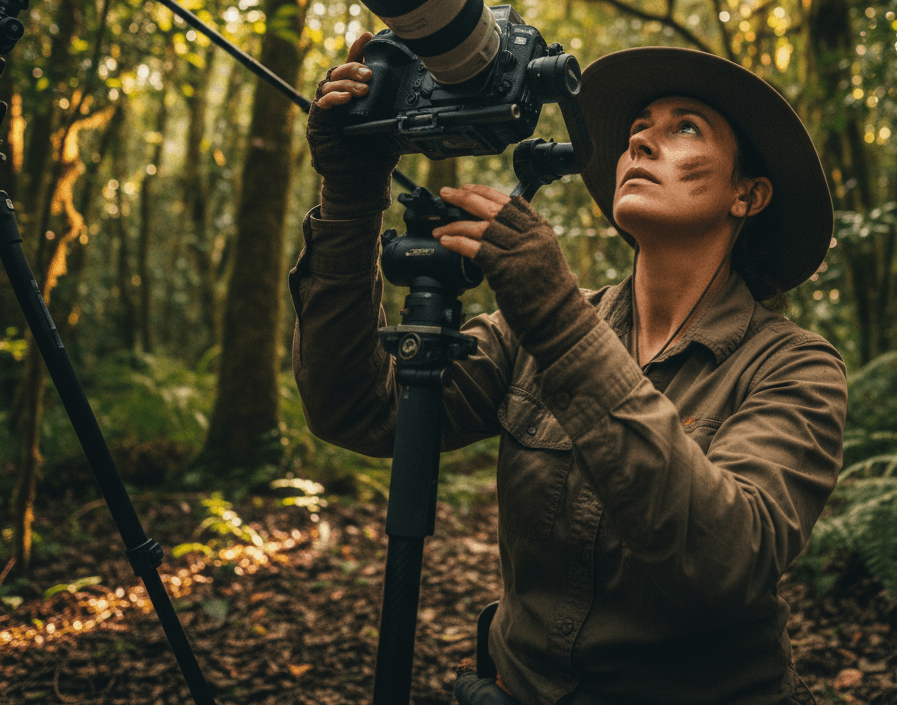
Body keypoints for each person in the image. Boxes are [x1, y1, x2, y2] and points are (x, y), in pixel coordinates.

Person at [290, 37, 847, 705]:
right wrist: (351, 198)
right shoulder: (528, 333)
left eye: (684, 129)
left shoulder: (794, 366)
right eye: (637, 131)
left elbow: (727, 562)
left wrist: (556, 317)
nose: (640, 143)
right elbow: (358, 410)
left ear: (747, 195)